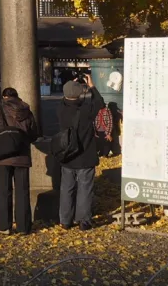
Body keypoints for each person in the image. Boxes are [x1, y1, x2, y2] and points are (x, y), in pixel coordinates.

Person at [0, 87, 40, 235]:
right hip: (22, 155)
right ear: (17, 96)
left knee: (4, 191)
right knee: (23, 191)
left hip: (3, 157)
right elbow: (34, 134)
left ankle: (4, 226)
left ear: (4, 97)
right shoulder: (26, 111)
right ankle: (23, 227)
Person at [57, 71, 105, 230]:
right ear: (79, 94)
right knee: (85, 189)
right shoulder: (86, 110)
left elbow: (66, 98)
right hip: (85, 155)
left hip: (68, 156)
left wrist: (71, 84)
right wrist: (91, 85)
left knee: (67, 189)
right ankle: (83, 220)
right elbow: (99, 102)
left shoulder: (61, 110)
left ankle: (65, 220)